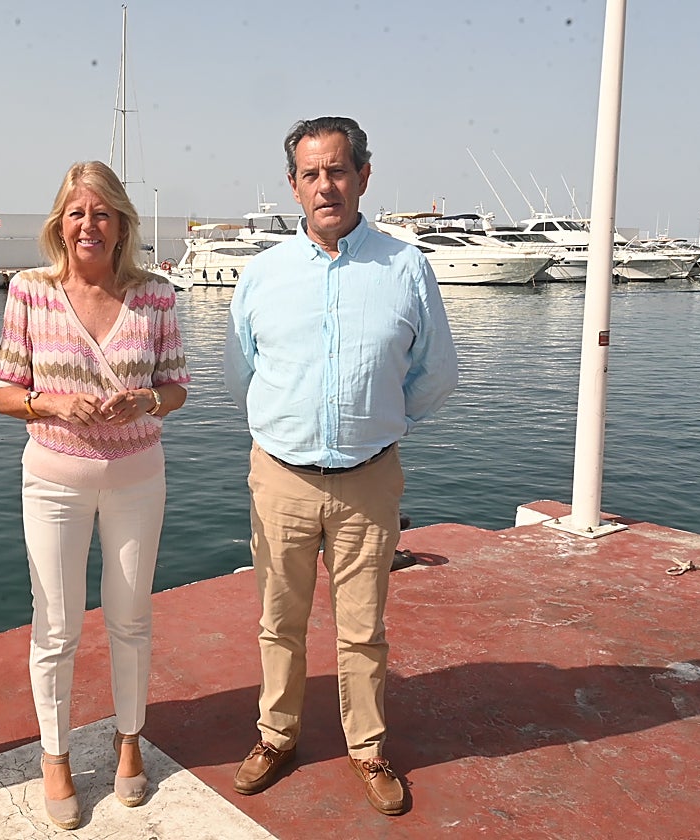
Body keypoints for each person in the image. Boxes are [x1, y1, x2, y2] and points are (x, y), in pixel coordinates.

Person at [223, 116, 457, 816]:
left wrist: (382, 421)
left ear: (363, 175)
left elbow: (436, 372)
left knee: (364, 627)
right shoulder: (262, 274)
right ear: (293, 185)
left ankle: (368, 748)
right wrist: (290, 427)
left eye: (338, 170)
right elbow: (243, 375)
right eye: (311, 173)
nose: (326, 185)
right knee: (278, 620)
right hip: (281, 477)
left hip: (369, 476)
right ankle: (276, 735)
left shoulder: (404, 266)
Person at [0, 160, 189, 830]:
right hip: (53, 482)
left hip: (138, 478)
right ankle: (56, 755)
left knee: (131, 618)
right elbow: (2, 390)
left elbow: (177, 387)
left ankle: (129, 741)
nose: (89, 224)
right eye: (77, 212)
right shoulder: (29, 290)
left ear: (122, 223)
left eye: (102, 212)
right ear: (60, 222)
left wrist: (146, 399)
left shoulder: (156, 294)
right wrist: (49, 403)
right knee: (56, 627)